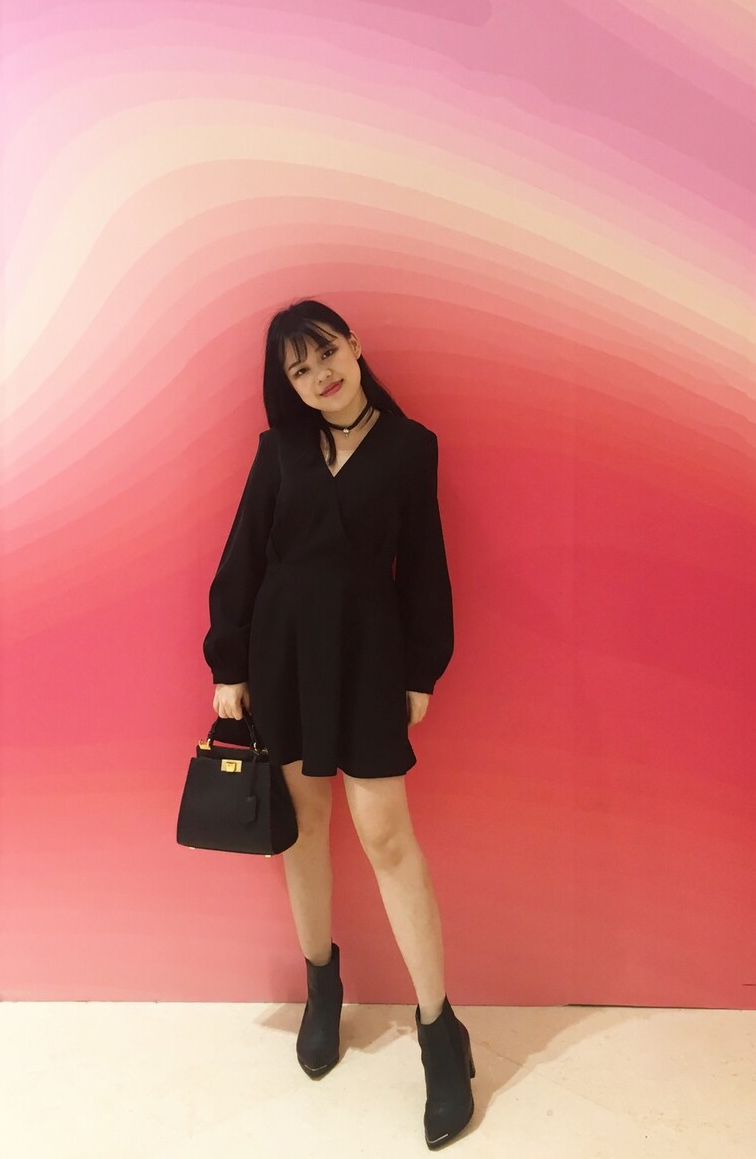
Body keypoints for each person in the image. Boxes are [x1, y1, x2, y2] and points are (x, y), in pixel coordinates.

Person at [202, 298, 476, 1148]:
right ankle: (322, 988)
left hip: (369, 655)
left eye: (325, 353)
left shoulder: (411, 447)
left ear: (354, 347)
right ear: (286, 385)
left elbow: (424, 563)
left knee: (388, 836)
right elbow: (243, 554)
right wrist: (229, 665)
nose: (318, 374)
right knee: (306, 826)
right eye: (299, 368)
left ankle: (439, 1030)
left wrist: (422, 669)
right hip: (283, 653)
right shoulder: (278, 450)